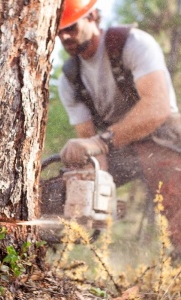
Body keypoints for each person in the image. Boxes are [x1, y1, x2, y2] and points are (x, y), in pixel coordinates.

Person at [57, 0, 181, 252]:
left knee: (173, 193)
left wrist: (99, 142)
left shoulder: (133, 43)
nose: (65, 36)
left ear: (93, 17)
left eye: (70, 27)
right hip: (118, 148)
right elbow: (89, 145)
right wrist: (99, 190)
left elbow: (158, 107)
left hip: (163, 139)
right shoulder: (69, 79)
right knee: (71, 183)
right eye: (59, 31)